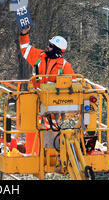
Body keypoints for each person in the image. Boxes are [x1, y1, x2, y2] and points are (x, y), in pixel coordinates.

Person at [19, 25, 74, 154]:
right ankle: (32, 153)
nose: (47, 47)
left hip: (53, 105)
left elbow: (73, 85)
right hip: (35, 99)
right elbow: (25, 49)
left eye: (50, 45)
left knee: (52, 129)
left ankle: (50, 154)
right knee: (32, 126)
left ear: (56, 50)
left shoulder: (65, 66)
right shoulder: (39, 56)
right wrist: (24, 34)